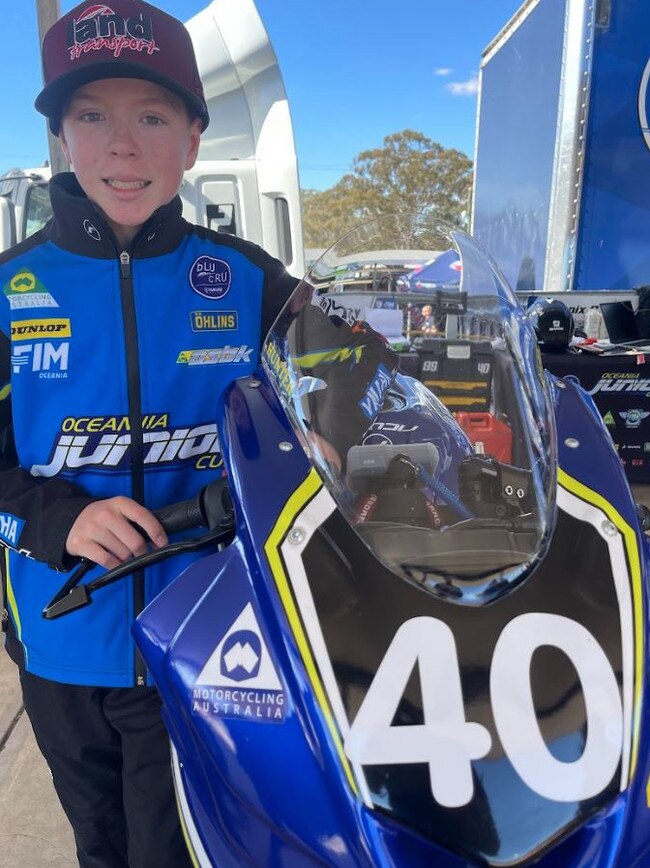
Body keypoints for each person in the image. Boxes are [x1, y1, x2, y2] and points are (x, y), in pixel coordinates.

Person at [0, 1, 298, 865]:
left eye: (152, 116)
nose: (121, 145)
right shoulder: (11, 288)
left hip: (209, 641)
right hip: (59, 642)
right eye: (91, 117)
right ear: (61, 139)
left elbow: (356, 382)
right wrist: (58, 522)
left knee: (190, 847)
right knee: (101, 844)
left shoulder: (247, 280)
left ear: (194, 141)